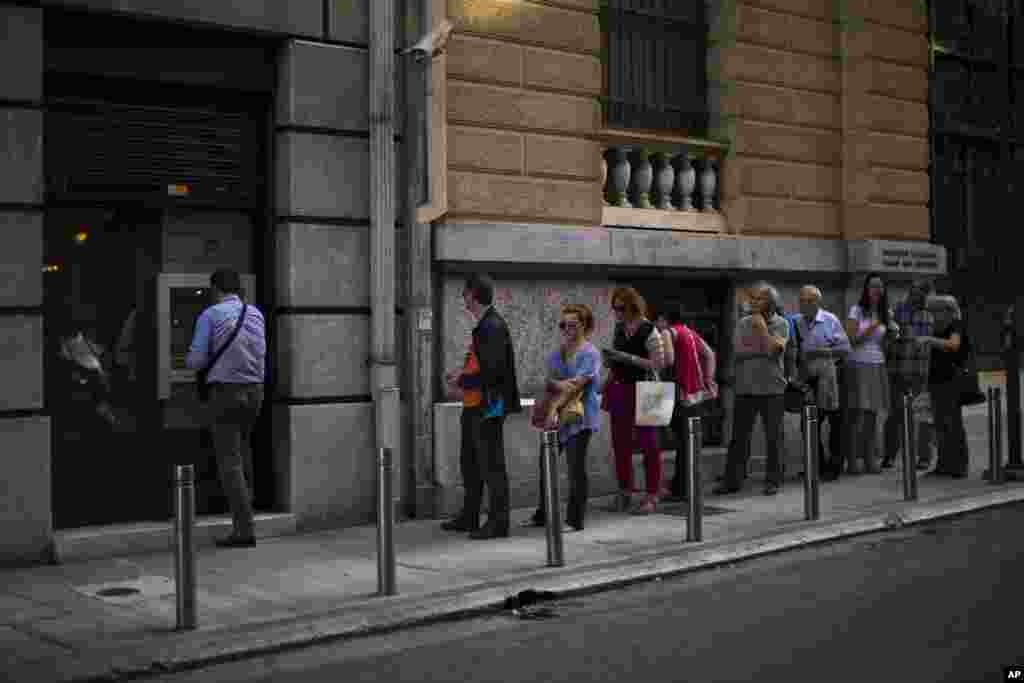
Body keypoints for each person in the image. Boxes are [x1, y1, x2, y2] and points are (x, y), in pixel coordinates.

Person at [186, 268, 266, 548]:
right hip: (255, 391)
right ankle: (249, 511)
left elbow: (195, 361)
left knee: (229, 461)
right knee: (243, 451)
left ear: (215, 289)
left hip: (225, 393)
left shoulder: (210, 315)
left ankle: (244, 530)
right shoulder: (255, 314)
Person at [440, 274, 522, 540]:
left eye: (465, 293)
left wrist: (462, 380)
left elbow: (493, 372)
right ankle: (470, 515)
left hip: (488, 406)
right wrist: (462, 377)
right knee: (471, 463)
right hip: (475, 404)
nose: (463, 298)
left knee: (491, 465)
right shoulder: (484, 325)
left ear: (473, 295)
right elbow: (482, 365)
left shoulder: (492, 326)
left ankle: (499, 522)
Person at [525, 304, 602, 531]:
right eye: (563, 325)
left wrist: (552, 409)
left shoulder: (590, 354)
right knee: (545, 462)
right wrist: (558, 384)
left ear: (585, 326)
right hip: (557, 417)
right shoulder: (557, 353)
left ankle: (574, 520)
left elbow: (576, 388)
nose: (567, 329)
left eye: (573, 325)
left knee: (575, 468)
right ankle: (542, 514)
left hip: (579, 417)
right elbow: (549, 382)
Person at [713, 283, 790, 496]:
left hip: (772, 388)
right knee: (739, 437)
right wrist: (764, 348)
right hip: (745, 388)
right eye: (753, 299)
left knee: (774, 437)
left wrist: (762, 329)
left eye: (760, 299)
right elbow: (738, 350)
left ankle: (773, 480)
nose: (755, 302)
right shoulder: (742, 323)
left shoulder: (782, 323)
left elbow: (775, 350)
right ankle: (732, 480)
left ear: (771, 302)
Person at [602, 286, 666, 514]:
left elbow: (659, 364)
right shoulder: (619, 329)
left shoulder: (650, 330)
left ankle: (652, 494)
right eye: (614, 308)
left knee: (650, 444)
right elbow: (617, 359)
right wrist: (608, 371)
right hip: (621, 388)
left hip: (648, 389)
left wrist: (625, 357)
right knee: (620, 444)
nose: (616, 312)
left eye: (620, 308)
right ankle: (625, 491)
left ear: (632, 306)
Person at [792, 285, 850, 481]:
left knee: (835, 423)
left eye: (810, 301)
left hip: (830, 378)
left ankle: (834, 467)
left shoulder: (830, 320)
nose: (805, 304)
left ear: (818, 302)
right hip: (808, 379)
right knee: (808, 424)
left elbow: (845, 349)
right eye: (802, 301)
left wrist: (821, 352)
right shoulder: (796, 322)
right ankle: (816, 465)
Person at [844, 273, 898, 474]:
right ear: (866, 289)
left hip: (877, 364)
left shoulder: (885, 313)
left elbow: (883, 343)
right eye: (873, 286)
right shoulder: (857, 310)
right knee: (856, 414)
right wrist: (874, 326)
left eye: (880, 287)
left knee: (871, 415)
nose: (877, 290)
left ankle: (869, 459)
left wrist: (891, 334)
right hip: (858, 363)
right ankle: (851, 460)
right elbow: (851, 339)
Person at [662, 312, 718, 502]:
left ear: (664, 318)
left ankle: (681, 489)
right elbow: (710, 354)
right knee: (688, 443)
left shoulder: (668, 332)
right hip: (695, 394)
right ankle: (685, 486)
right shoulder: (689, 332)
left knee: (681, 443)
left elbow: (668, 361)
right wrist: (709, 380)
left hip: (678, 393)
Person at [883, 279, 936, 471]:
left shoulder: (933, 313)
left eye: (923, 293)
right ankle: (889, 455)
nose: (919, 296)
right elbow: (888, 337)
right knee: (895, 415)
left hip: (923, 372)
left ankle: (924, 457)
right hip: (898, 370)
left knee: (923, 416)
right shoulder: (898, 311)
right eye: (916, 292)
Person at [919, 295, 970, 478]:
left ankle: (958, 465)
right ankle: (944, 464)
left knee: (952, 424)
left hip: (951, 381)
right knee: (940, 424)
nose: (933, 316)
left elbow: (954, 345)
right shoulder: (939, 328)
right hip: (938, 381)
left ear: (947, 311)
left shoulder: (956, 325)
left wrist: (929, 340)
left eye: (935, 312)